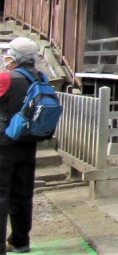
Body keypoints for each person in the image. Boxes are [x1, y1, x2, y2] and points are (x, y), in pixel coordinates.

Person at [0, 38, 43, 254]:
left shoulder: (6, 78)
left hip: (5, 143)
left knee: (1, 193)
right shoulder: (40, 77)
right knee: (23, 192)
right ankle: (20, 241)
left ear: (14, 56)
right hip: (29, 142)